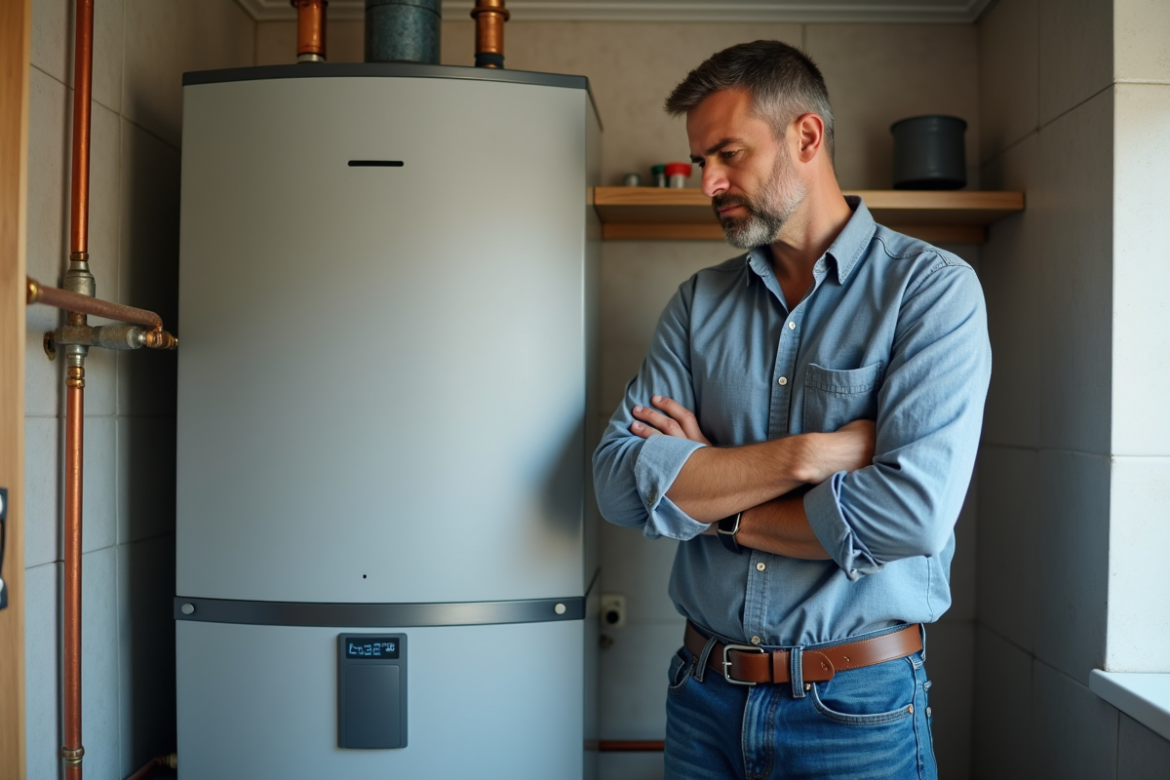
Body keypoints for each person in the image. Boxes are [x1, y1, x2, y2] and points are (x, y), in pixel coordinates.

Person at [592, 40, 991, 780]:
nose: (707, 182)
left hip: (859, 711)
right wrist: (811, 455)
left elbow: (910, 515)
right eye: (700, 160)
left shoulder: (932, 292)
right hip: (702, 697)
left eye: (727, 154)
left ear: (805, 137)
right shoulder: (698, 303)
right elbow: (619, 481)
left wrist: (714, 502)